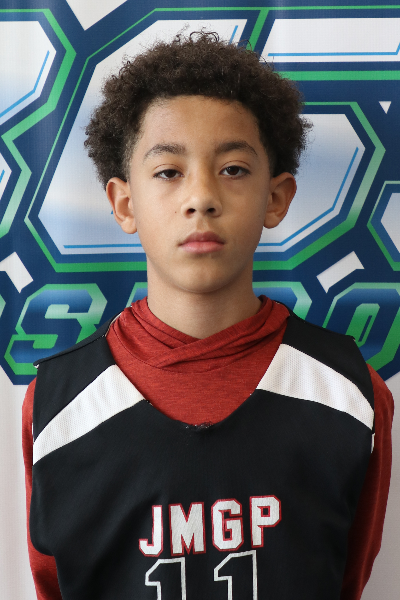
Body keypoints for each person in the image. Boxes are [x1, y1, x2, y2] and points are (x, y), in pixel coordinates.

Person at [23, 32, 394, 600]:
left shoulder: (349, 393)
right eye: (168, 172)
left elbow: (346, 578)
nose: (201, 197)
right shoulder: (56, 406)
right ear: (124, 202)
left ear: (276, 197)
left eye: (234, 169)